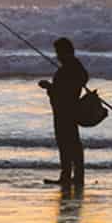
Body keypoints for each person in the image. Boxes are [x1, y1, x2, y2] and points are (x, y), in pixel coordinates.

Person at [38, 37, 88, 188]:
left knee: (67, 144)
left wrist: (48, 87)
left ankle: (70, 177)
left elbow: (63, 92)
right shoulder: (73, 66)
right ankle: (73, 176)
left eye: (58, 52)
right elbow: (81, 79)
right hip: (66, 110)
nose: (57, 56)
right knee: (70, 144)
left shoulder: (69, 67)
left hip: (65, 111)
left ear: (65, 52)